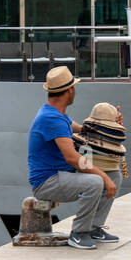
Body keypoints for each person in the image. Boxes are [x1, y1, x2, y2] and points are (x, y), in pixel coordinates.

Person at [27, 66, 120, 250]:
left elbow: (84, 130)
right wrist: (103, 177)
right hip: (47, 182)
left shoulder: (57, 114)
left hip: (62, 174)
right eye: (74, 87)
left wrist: (110, 124)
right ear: (69, 91)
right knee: (95, 181)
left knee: (115, 174)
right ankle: (78, 233)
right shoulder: (51, 119)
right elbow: (72, 158)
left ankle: (93, 228)